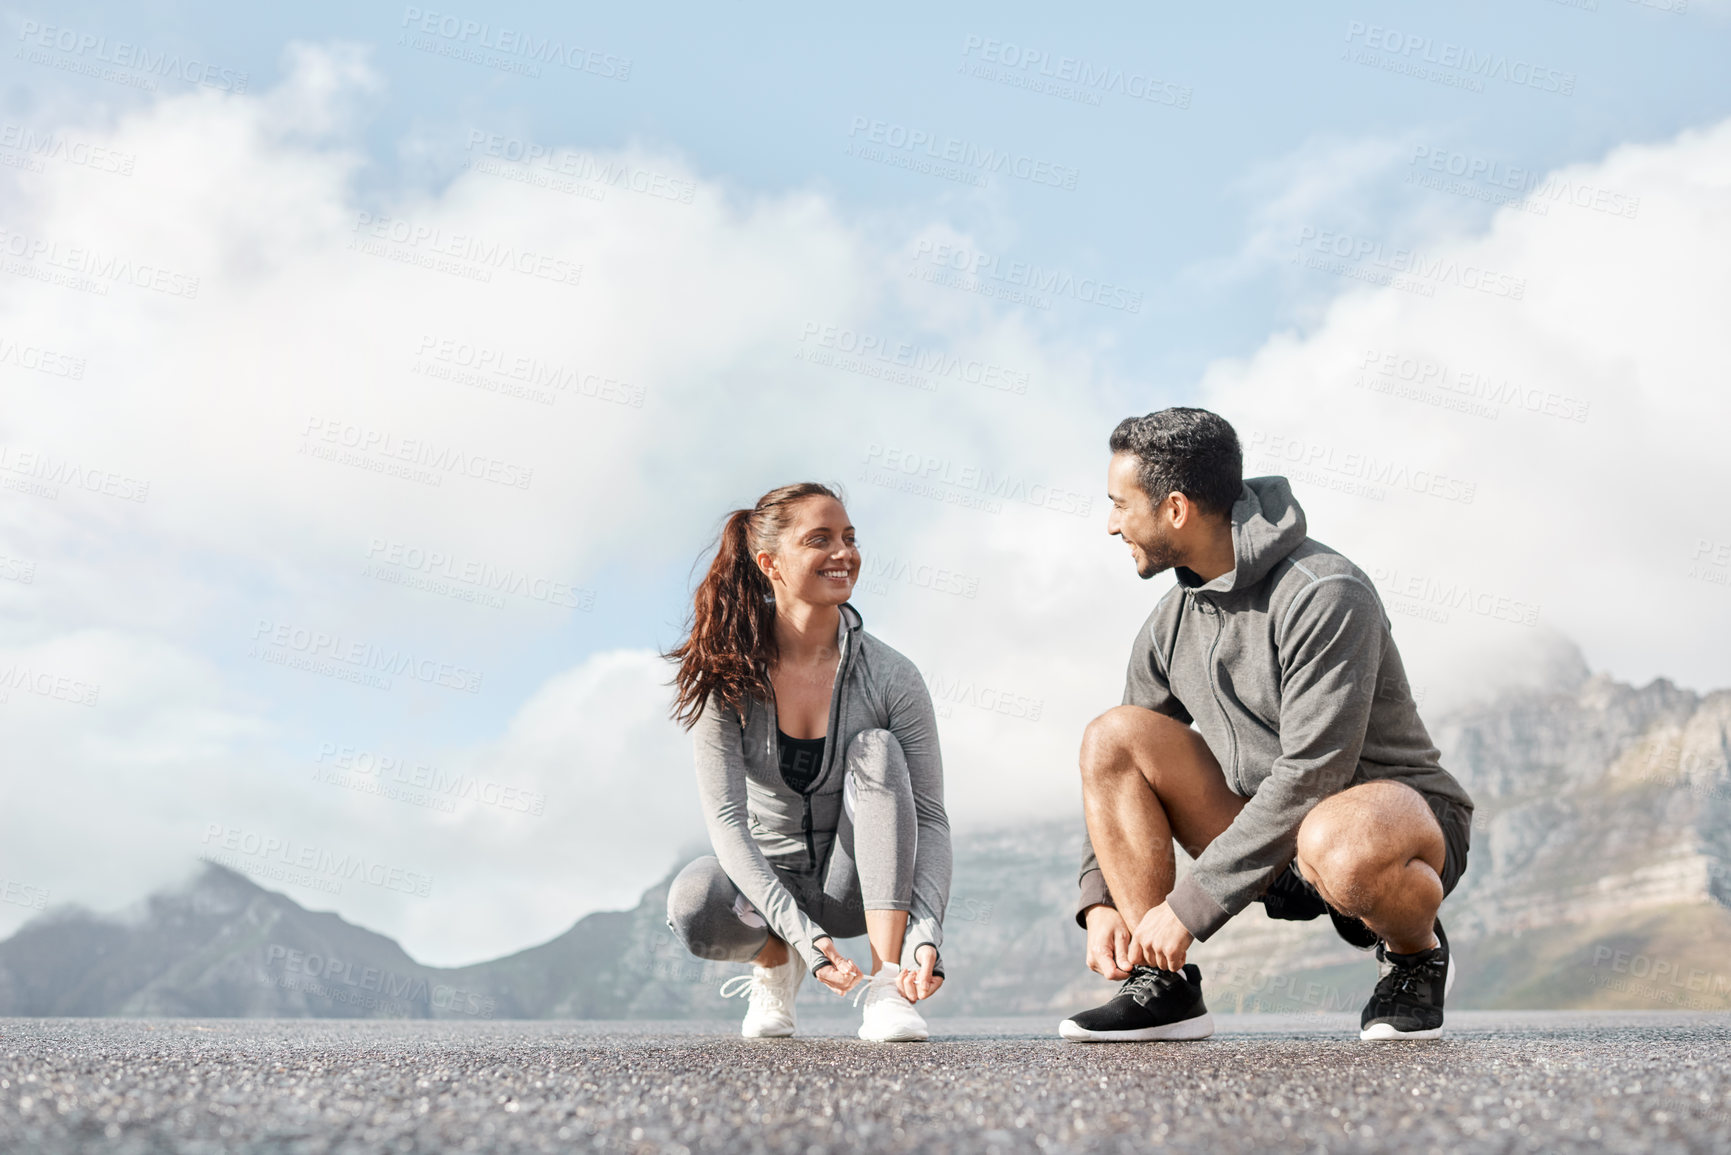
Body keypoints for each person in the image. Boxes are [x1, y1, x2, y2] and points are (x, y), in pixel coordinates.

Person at [1060, 408, 1474, 1043]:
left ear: (1175, 509)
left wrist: (1190, 908)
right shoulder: (1169, 624)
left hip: (1385, 830)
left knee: (1338, 839)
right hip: (1274, 841)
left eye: (1120, 505)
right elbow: (1115, 771)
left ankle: (1415, 956)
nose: (1111, 524)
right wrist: (1103, 901)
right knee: (1113, 733)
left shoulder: (1326, 592)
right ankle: (1162, 987)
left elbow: (1314, 773)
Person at [663, 482, 952, 1042]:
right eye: (820, 540)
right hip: (771, 893)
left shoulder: (893, 677)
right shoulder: (725, 673)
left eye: (849, 538)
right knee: (696, 900)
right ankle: (774, 965)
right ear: (770, 562)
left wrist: (926, 934)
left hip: (859, 892)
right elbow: (726, 820)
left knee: (877, 749)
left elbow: (932, 818)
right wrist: (801, 940)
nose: (844, 553)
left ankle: (887, 982)